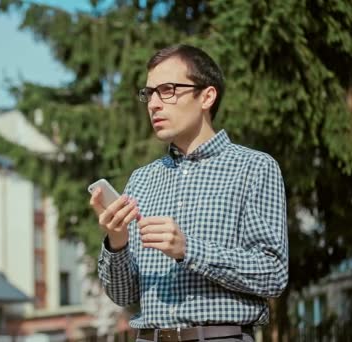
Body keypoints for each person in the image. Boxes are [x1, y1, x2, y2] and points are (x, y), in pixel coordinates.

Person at [90, 44, 288, 342]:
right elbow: (122, 294)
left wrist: (188, 249)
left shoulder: (254, 167)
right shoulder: (142, 180)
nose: (154, 104)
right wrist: (117, 242)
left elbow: (273, 274)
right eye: (149, 93)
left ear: (207, 96)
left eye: (167, 90)